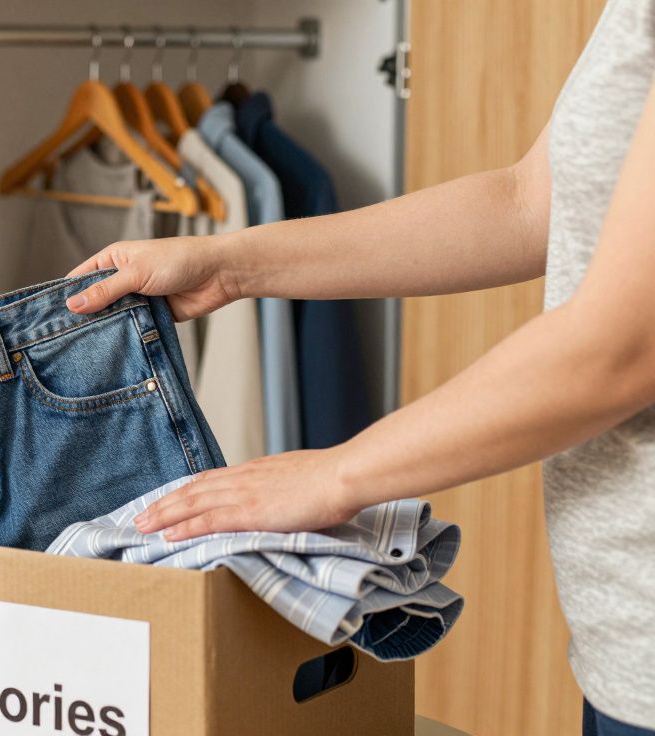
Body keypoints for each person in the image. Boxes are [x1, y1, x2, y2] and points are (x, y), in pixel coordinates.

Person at [63, 3, 655, 734]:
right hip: (619, 646)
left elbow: (623, 347)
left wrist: (333, 475)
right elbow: (528, 203)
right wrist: (228, 264)